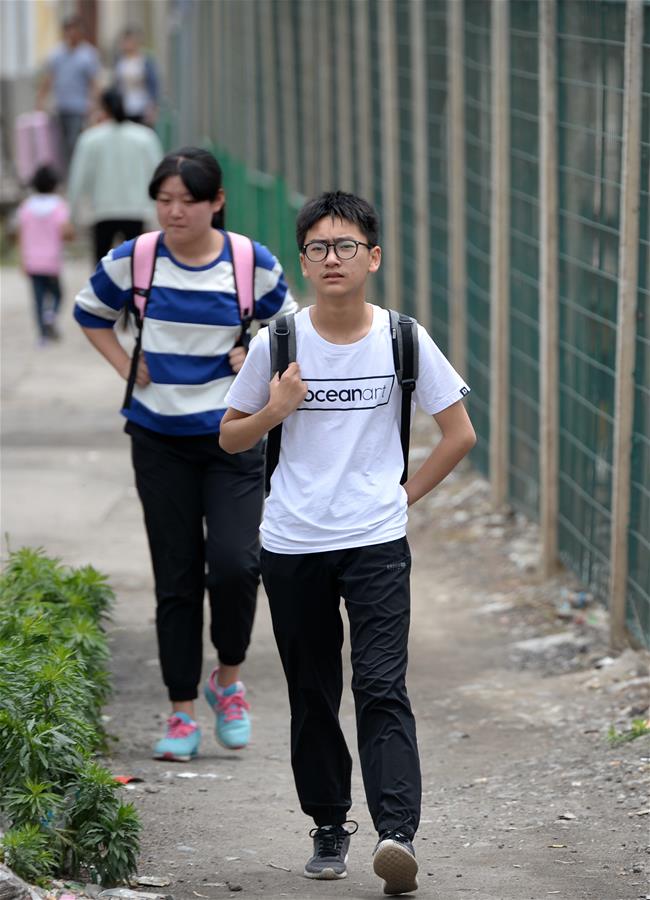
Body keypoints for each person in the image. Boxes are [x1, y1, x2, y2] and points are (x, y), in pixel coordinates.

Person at [219, 191, 476, 895]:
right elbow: (231, 434)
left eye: (346, 246)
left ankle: (397, 834)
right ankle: (329, 824)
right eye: (318, 248)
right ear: (303, 258)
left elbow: (459, 435)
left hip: (374, 541)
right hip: (293, 541)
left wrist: (400, 497)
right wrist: (275, 409)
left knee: (381, 684)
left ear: (374, 257)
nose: (332, 259)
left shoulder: (402, 337)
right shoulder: (280, 340)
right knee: (312, 689)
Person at [73, 147, 298, 762]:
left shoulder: (252, 263)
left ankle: (227, 678)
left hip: (233, 435)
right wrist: (128, 366)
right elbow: (89, 313)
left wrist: (254, 351)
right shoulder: (135, 259)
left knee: (235, 564)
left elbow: (292, 335)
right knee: (175, 577)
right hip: (158, 438)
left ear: (216, 203)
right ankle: (180, 714)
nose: (174, 212)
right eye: (164, 200)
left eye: (188, 201)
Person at [68, 88, 163, 263]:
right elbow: (159, 175)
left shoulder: (90, 139)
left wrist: (72, 215)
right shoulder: (145, 137)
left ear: (102, 108)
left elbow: (77, 180)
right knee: (136, 267)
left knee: (101, 268)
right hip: (137, 210)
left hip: (102, 212)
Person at [16, 165, 74, 344]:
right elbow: (65, 231)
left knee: (38, 298)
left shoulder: (26, 207)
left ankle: (42, 336)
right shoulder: (59, 206)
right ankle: (51, 315)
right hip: (51, 259)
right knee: (57, 294)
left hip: (32, 260)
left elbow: (21, 234)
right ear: (54, 185)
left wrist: (22, 259)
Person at [37, 14, 100, 169]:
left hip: (78, 107)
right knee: (60, 145)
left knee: (74, 142)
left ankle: (76, 173)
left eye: (75, 30)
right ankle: (65, 175)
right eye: (69, 30)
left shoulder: (88, 55)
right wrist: (40, 99)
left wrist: (95, 104)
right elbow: (49, 78)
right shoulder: (57, 54)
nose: (72, 34)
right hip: (61, 106)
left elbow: (94, 82)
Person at [113, 26, 160, 126]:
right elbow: (116, 84)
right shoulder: (120, 61)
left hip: (142, 106)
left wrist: (153, 106)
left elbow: (153, 83)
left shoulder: (145, 60)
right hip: (124, 106)